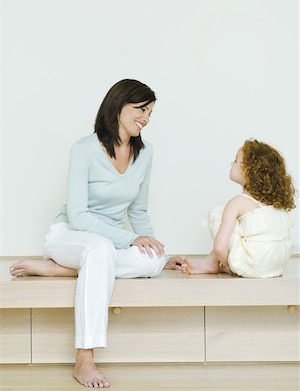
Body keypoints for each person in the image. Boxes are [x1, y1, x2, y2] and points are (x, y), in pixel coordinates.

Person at [10, 79, 166, 388]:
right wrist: (130, 239)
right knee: (99, 251)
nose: (146, 118)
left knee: (153, 262)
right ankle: (85, 357)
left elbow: (137, 211)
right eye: (140, 109)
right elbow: (79, 216)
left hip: (106, 244)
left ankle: (64, 271)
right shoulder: (84, 149)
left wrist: (154, 245)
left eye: (150, 112)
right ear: (118, 105)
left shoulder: (145, 153)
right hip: (70, 233)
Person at [174, 139, 295, 278]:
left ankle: (214, 263)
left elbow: (219, 248)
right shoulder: (274, 204)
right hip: (276, 266)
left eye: (236, 160)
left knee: (219, 213)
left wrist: (230, 266)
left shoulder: (238, 202)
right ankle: (210, 262)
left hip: (253, 266)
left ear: (249, 170)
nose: (231, 163)